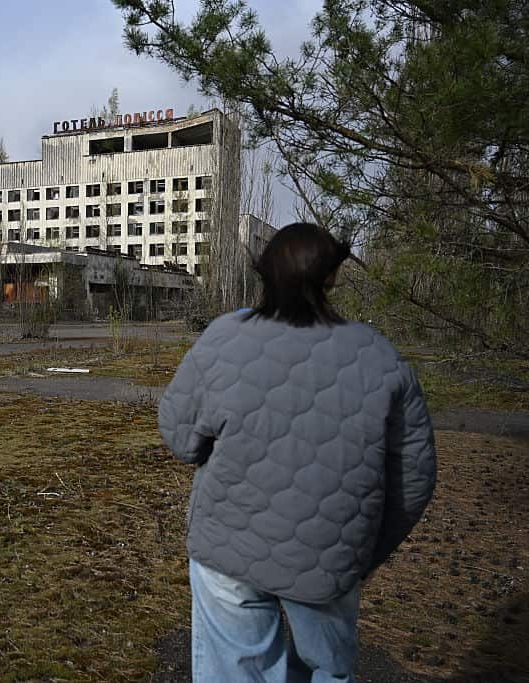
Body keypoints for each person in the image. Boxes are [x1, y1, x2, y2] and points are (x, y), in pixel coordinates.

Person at [158, 223, 436, 682]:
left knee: (234, 670)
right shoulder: (381, 356)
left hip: (229, 546)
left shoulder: (225, 335)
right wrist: (361, 550)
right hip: (331, 558)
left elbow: (180, 436)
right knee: (327, 670)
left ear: (264, 274)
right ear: (332, 278)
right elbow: (415, 475)